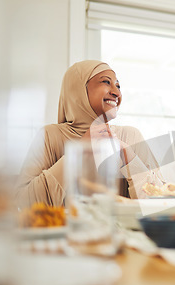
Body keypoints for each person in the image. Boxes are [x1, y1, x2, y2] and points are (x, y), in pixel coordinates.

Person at [15, 60, 159, 206]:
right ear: (77, 90)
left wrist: (129, 157)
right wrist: (78, 150)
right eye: (106, 82)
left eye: (118, 85)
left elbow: (161, 205)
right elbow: (24, 203)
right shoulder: (49, 136)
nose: (116, 93)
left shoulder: (130, 137)